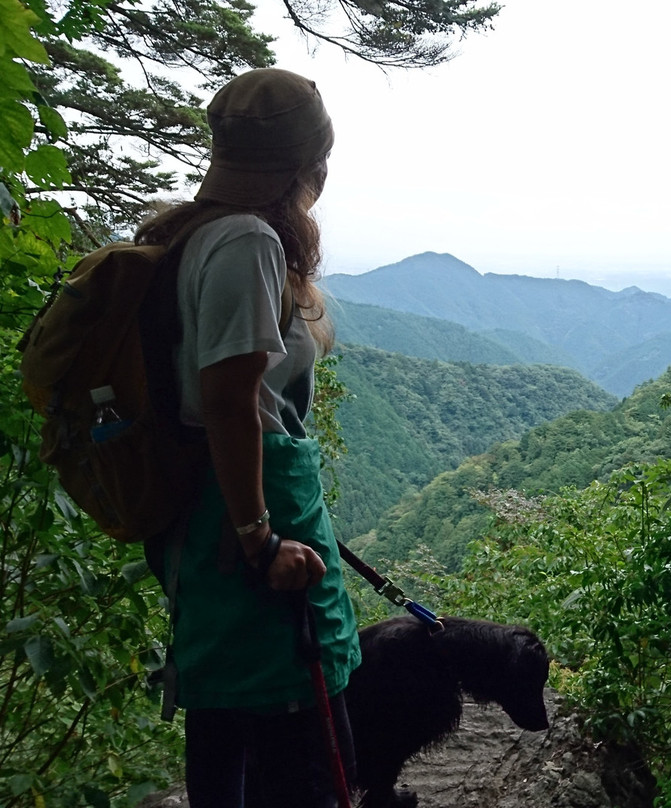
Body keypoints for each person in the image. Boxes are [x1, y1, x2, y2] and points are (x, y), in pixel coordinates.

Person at [135, 68, 361, 807]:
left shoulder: (194, 234)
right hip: (249, 514)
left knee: (228, 713)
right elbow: (229, 401)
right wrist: (260, 535)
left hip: (221, 510)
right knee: (293, 722)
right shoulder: (249, 242)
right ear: (308, 168)